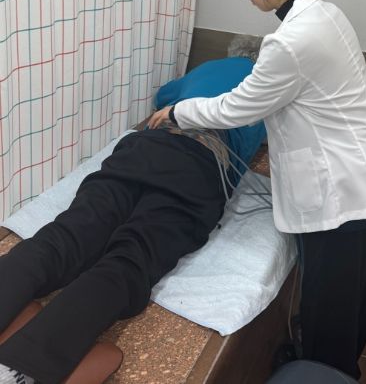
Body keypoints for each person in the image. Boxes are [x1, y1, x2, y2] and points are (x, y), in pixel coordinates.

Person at [148, 0, 366, 380]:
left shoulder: (288, 44)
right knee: (351, 309)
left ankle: (322, 372)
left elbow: (236, 108)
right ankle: (332, 368)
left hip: (346, 198)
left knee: (329, 317)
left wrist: (179, 111)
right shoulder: (327, 14)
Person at [0, 55, 266, 384]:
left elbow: (164, 96)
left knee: (65, 237)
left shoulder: (206, 69)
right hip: (198, 164)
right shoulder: (267, 86)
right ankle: (19, 371)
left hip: (145, 146)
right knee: (129, 258)